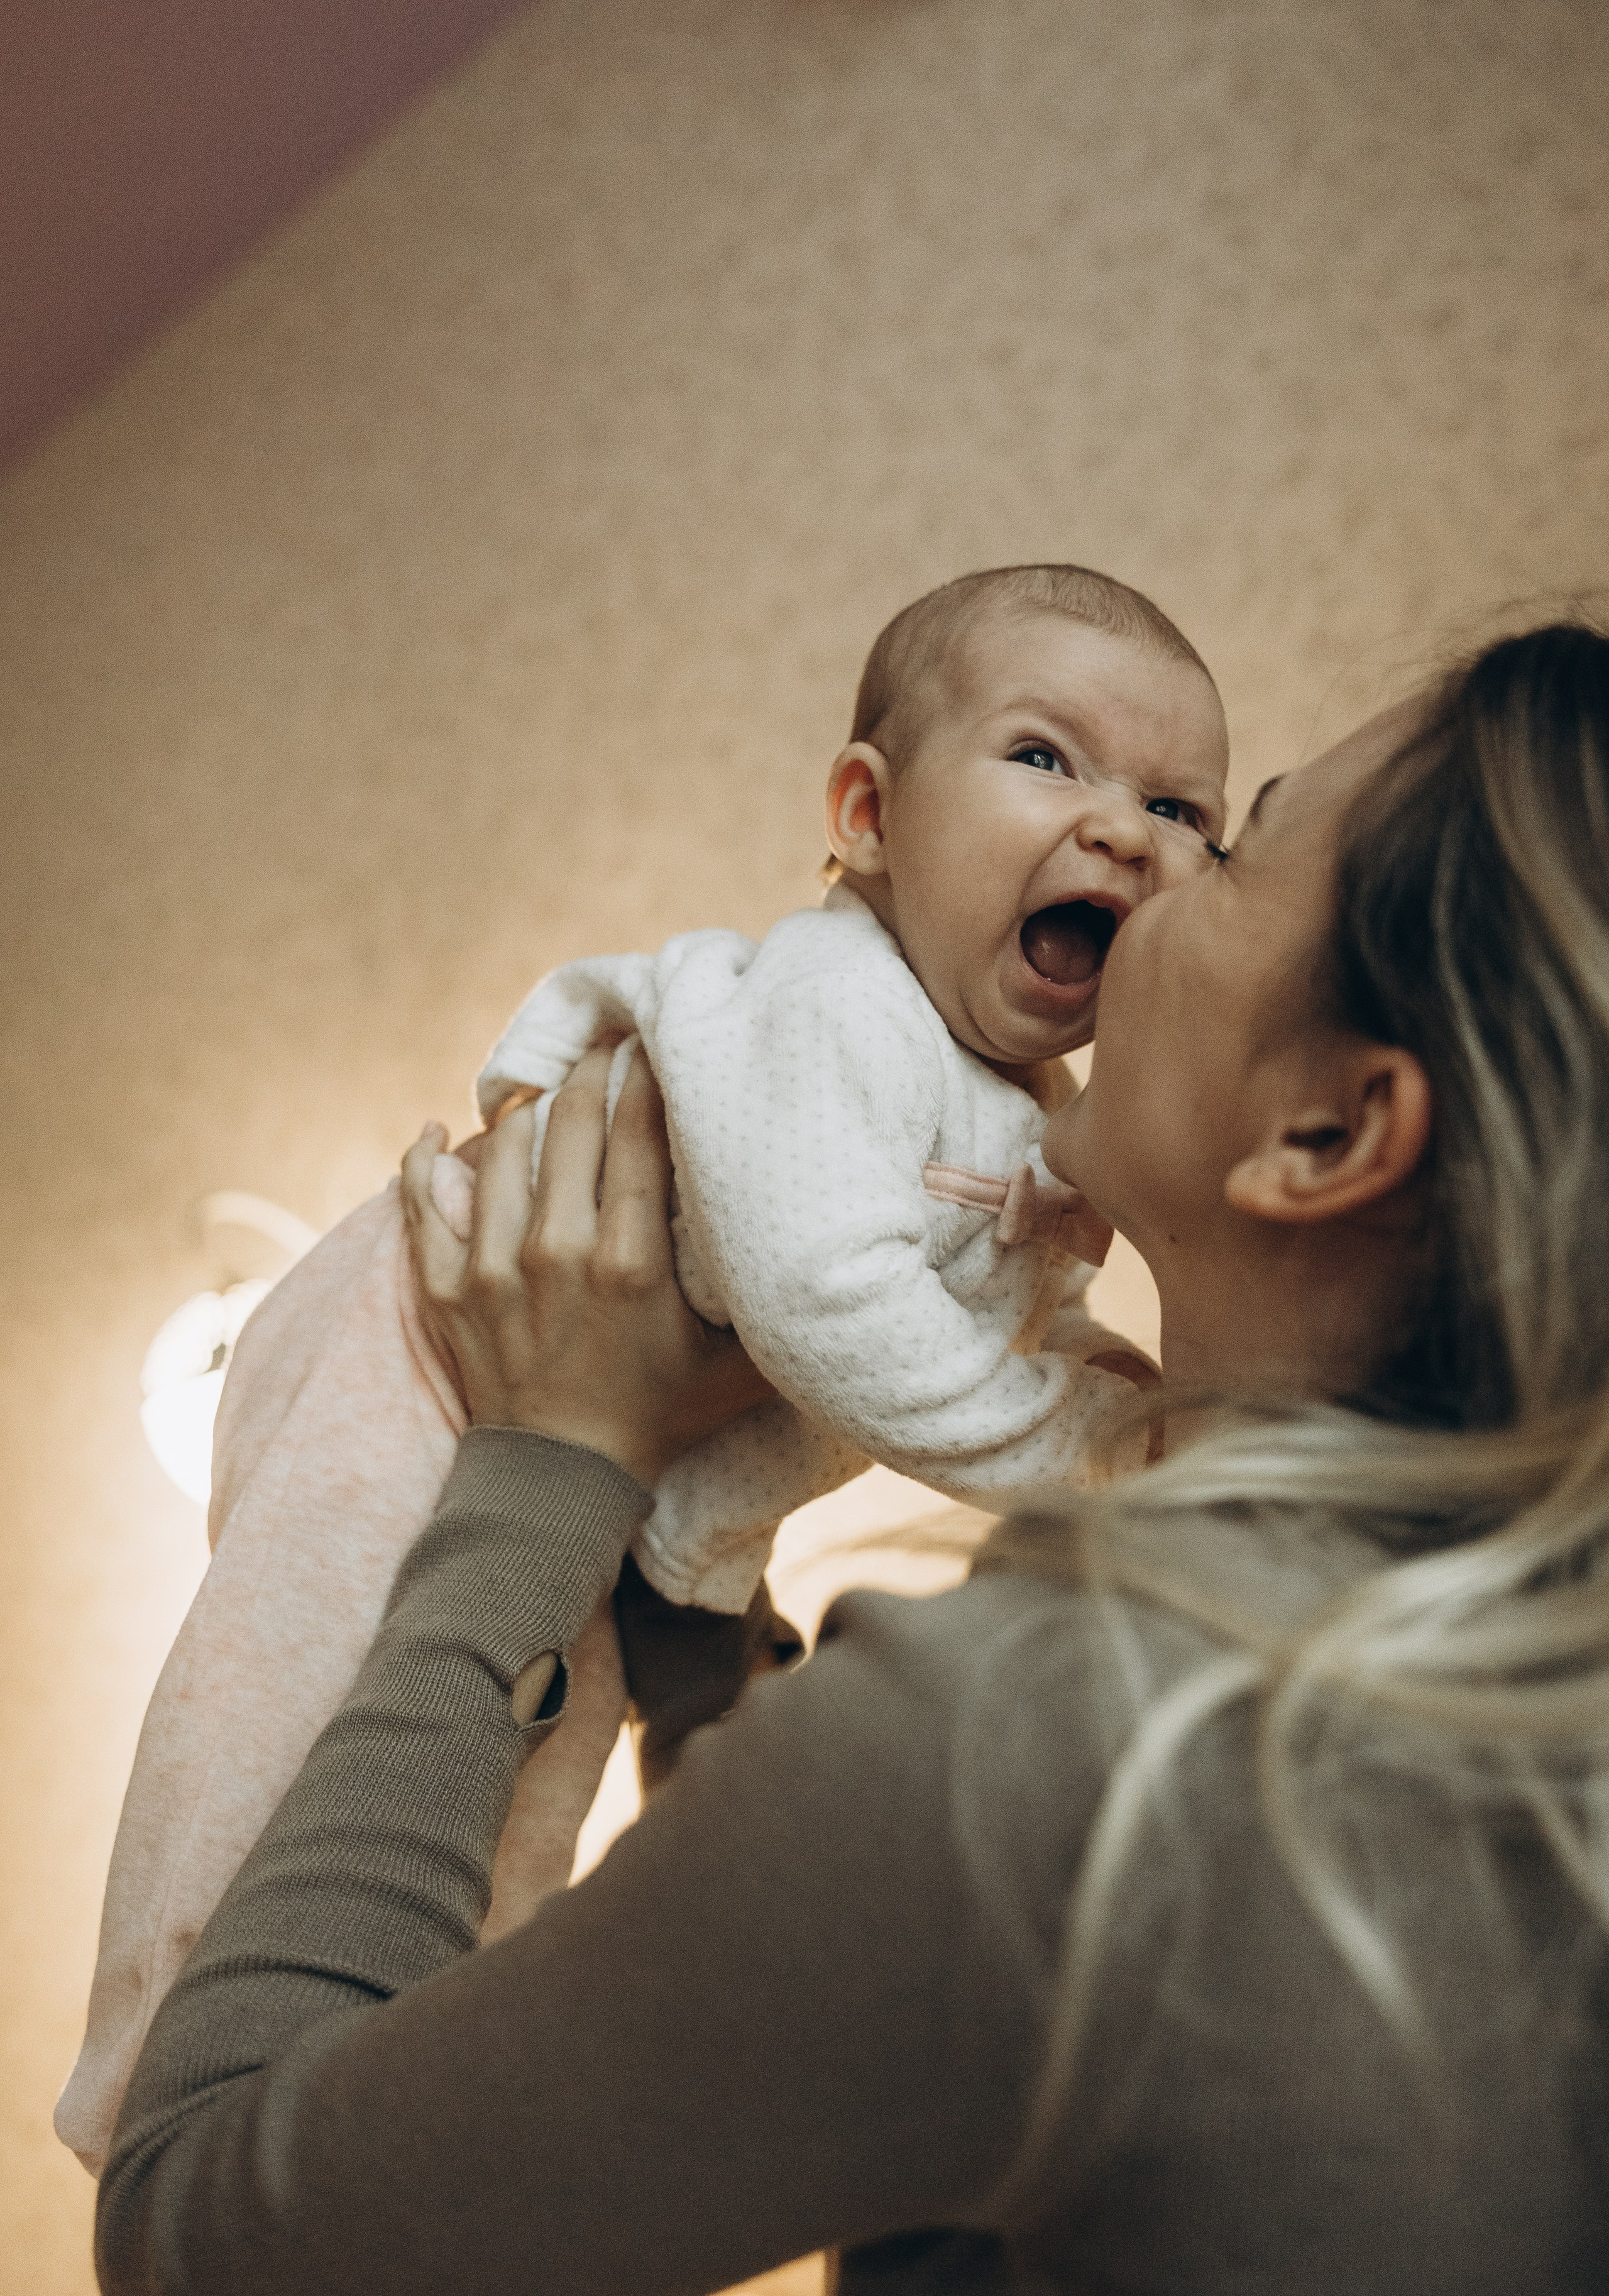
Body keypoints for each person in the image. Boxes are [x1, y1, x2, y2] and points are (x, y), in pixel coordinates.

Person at [97, 620, 1609, 2296]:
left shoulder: (1079, 1747)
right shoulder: (1507, 1738)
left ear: (1327, 1132)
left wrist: (549, 1460)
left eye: (1243, 830)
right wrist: (688, 1616)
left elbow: (202, 2225)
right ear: (868, 814)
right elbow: (852, 2027)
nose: (1161, 856)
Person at [58, 562, 1226, 2173]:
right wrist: (1088, 1448)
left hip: (587, 1441)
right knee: (287, 1701)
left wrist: (1141, 1415)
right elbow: (818, 1300)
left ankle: (372, 2108)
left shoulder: (1022, 1106)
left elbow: (996, 1331)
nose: (1121, 826)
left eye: (1181, 804)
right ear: (867, 816)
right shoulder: (847, 1007)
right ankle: (166, 2075)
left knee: (524, 1787)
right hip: (413, 1345)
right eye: (1045, 757)